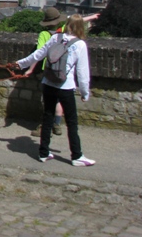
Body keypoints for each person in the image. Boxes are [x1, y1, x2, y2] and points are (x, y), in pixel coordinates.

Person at [14, 14, 95, 167]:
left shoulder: (55, 38)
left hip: (48, 83)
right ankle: (77, 155)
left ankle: (43, 153)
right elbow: (83, 73)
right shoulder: (80, 45)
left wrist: (20, 63)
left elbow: (37, 55)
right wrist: (85, 93)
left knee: (47, 118)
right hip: (66, 86)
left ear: (68, 25)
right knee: (72, 122)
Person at [26, 7, 66, 138]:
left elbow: (38, 54)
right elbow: (79, 21)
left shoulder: (44, 34)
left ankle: (44, 127)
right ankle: (57, 124)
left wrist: (31, 69)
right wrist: (93, 17)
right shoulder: (64, 31)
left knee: (48, 100)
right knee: (58, 99)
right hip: (62, 69)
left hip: (48, 69)